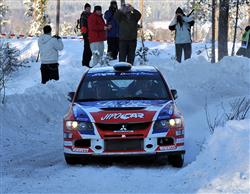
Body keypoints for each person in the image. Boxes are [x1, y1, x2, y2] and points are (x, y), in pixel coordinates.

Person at [79, 3, 92, 67]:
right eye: (87, 8)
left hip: (92, 34)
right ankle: (85, 63)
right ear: (85, 9)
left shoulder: (91, 15)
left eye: (89, 8)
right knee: (87, 49)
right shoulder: (83, 16)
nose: (89, 9)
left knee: (90, 49)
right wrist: (86, 35)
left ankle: (88, 62)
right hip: (86, 35)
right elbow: (83, 27)